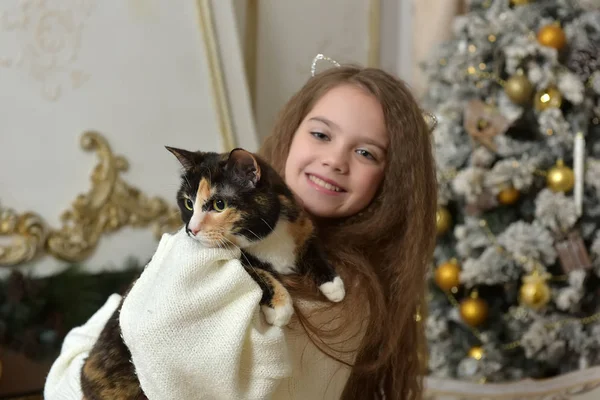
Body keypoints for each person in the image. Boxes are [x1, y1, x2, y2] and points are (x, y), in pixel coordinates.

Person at [44, 58, 437, 400]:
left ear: (391, 180)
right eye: (321, 134)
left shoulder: (341, 291)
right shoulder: (244, 226)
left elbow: (149, 336)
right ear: (293, 132)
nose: (335, 159)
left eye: (365, 152)